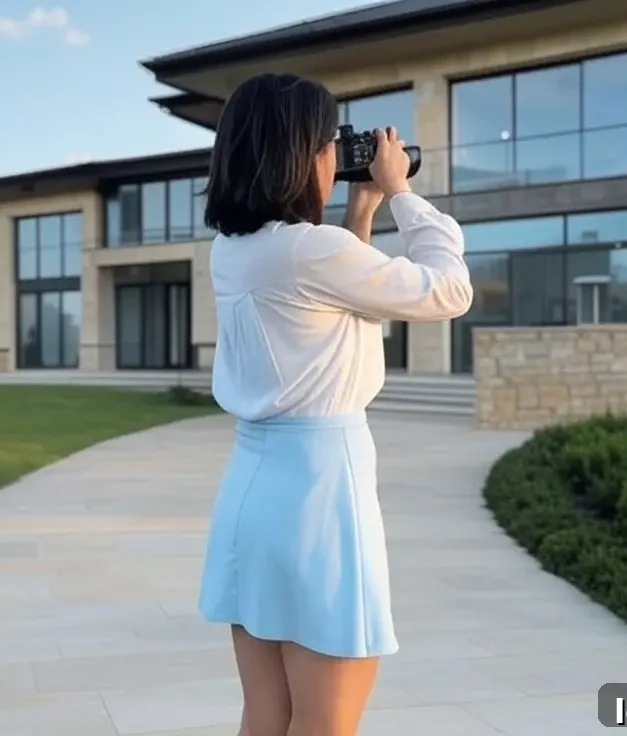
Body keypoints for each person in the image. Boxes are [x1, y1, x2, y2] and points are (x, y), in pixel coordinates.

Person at [198, 72, 473, 736]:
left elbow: (334, 300)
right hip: (320, 493)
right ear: (300, 154)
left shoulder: (234, 250)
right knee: (326, 724)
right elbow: (448, 291)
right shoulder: (309, 251)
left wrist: (361, 213)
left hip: (254, 491)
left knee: (267, 713)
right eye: (329, 142)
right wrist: (402, 193)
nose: (335, 153)